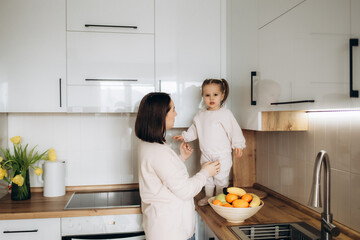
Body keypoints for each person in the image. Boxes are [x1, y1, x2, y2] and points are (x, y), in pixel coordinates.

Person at [135, 92, 220, 240]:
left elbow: (165, 179)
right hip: (170, 232)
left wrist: (181, 158)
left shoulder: (147, 145)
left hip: (162, 229)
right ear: (160, 115)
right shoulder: (158, 151)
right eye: (173, 109)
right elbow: (186, 190)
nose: (176, 113)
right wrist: (206, 172)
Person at [173, 78, 246, 206]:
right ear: (203, 96)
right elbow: (194, 129)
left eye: (215, 95)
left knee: (221, 177)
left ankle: (219, 198)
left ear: (222, 96)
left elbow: (234, 130)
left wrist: (238, 145)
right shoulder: (200, 115)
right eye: (207, 95)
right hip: (206, 153)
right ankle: (208, 196)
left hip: (222, 154)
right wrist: (185, 136)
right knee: (207, 176)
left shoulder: (225, 114)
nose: (211, 98)